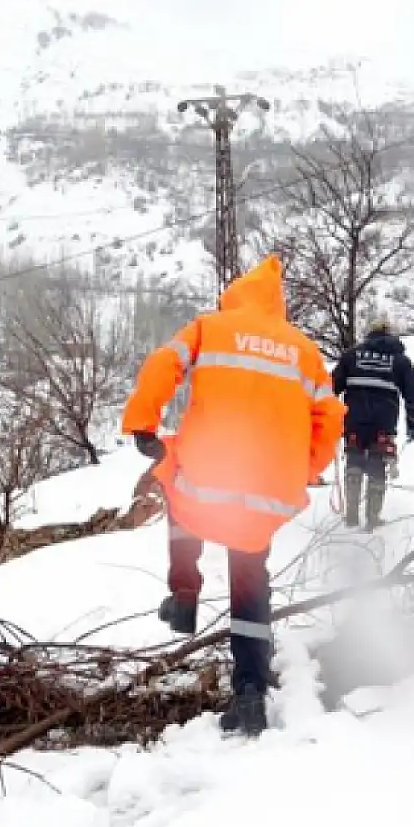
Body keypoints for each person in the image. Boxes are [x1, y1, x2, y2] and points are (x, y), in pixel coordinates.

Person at [121, 254, 345, 736]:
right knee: (249, 580)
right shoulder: (302, 350)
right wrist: (303, 468)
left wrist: (143, 422)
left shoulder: (211, 327)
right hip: (266, 489)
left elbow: (165, 363)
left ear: (236, 297)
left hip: (210, 473)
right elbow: (331, 418)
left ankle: (184, 593)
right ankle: (249, 692)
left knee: (177, 484)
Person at [331, 315, 414, 531]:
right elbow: (413, 393)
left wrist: (324, 416)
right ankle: (372, 519)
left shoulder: (351, 355)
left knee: (353, 461)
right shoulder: (400, 360)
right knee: (377, 465)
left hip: (353, 417)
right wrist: (412, 422)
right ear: (390, 334)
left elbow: (331, 387)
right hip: (384, 420)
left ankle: (351, 517)